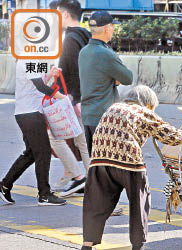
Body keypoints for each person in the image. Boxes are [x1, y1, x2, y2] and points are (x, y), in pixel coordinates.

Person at [81, 86, 182, 250]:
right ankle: (138, 245)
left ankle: (87, 245)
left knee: (96, 203)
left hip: (99, 161)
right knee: (139, 202)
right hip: (128, 161)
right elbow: (172, 136)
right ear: (148, 104)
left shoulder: (113, 107)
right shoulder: (143, 112)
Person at [79, 10, 132, 215]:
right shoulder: (106, 53)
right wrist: (114, 79)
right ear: (108, 28)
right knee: (109, 165)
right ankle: (105, 207)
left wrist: (111, 78)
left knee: (97, 165)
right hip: (105, 118)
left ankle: (97, 205)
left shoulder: (84, 52)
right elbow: (127, 77)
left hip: (89, 116)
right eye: (112, 28)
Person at [0, 61, 67, 206]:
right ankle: (44, 195)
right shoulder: (27, 59)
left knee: (31, 153)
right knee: (43, 153)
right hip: (29, 114)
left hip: (30, 112)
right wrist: (64, 98)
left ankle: (5, 185)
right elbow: (40, 86)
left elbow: (36, 82)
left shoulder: (34, 59)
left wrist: (50, 74)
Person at [46, 0, 92, 197]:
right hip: (86, 96)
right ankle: (86, 178)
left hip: (74, 98)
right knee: (81, 142)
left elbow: (74, 72)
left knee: (55, 137)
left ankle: (79, 178)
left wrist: (76, 99)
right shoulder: (87, 35)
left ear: (64, 15)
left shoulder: (70, 40)